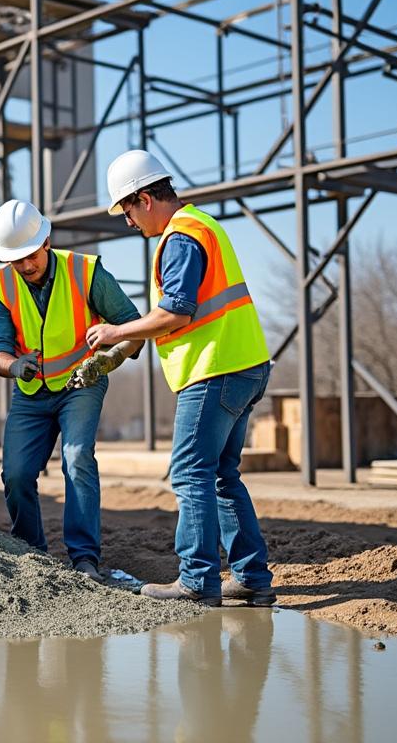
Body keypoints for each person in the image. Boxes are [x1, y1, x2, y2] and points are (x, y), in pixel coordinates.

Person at [83, 150, 274, 606]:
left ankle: (196, 580)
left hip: (213, 370)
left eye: (127, 210)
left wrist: (115, 331)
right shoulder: (204, 225)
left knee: (190, 473)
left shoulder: (181, 238)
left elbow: (176, 311)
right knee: (223, 475)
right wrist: (126, 347)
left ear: (145, 198)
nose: (129, 223)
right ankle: (250, 578)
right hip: (244, 365)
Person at [0, 199, 143, 582]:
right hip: (30, 392)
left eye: (30, 256)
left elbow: (135, 329)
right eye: (16, 260)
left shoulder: (86, 272)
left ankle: (85, 558)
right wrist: (14, 366)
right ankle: (30, 551)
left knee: (76, 458)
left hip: (81, 384)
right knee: (17, 474)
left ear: (46, 240)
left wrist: (108, 359)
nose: (25, 266)